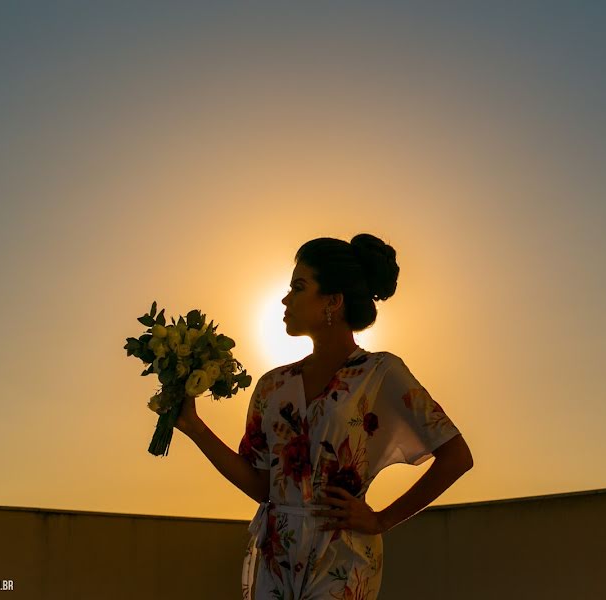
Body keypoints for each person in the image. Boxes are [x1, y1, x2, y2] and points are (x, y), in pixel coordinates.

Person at [172, 233, 474, 600]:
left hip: (343, 557)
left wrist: (382, 520)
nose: (286, 299)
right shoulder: (272, 385)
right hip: (275, 555)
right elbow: (262, 485)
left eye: (299, 287)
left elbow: (456, 456)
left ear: (333, 301)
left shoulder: (380, 372)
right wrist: (195, 428)